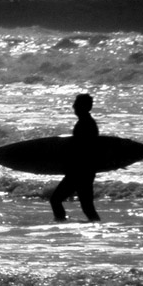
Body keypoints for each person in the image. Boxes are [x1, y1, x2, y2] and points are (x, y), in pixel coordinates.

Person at [49, 93, 102, 222]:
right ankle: (97, 227)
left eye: (76, 104)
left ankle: (60, 223)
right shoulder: (86, 122)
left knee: (56, 199)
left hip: (80, 171)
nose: (73, 106)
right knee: (87, 206)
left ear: (84, 106)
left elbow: (83, 149)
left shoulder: (86, 124)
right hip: (85, 170)